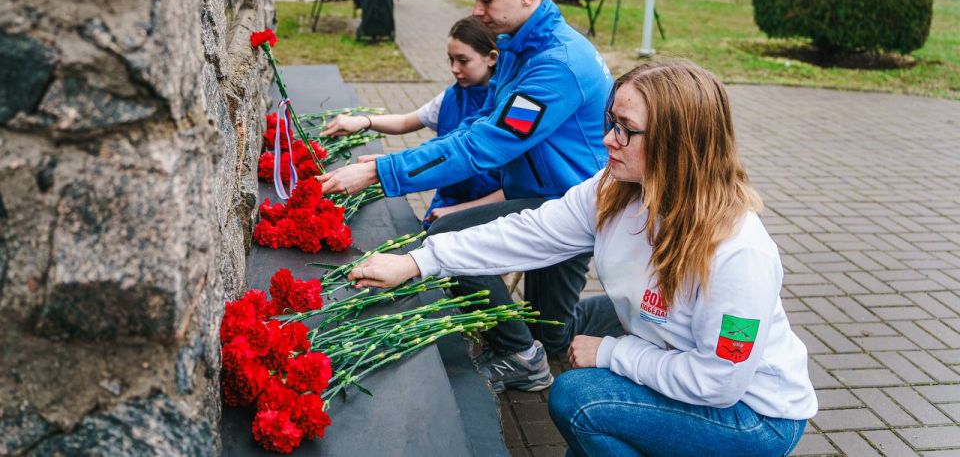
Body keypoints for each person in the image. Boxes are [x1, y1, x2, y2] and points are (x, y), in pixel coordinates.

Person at [347, 60, 818, 457]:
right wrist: (419, 261)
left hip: (751, 415)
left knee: (579, 398)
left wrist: (612, 353)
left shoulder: (739, 254)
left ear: (678, 143)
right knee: (578, 381)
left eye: (626, 130)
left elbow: (719, 382)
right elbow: (530, 232)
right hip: (681, 362)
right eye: (610, 122)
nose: (608, 139)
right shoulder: (617, 190)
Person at [320, 0, 613, 392]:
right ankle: (606, 320)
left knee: (452, 239)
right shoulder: (519, 44)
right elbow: (481, 126)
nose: (477, 10)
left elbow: (486, 145)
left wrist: (381, 170)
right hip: (541, 192)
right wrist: (398, 162)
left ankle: (525, 359)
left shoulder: (557, 64)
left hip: (570, 204)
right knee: (551, 331)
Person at [320, 16, 504, 226]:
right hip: (444, 206)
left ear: (491, 58)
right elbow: (406, 121)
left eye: (463, 60)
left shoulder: (505, 110)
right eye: (450, 59)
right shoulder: (450, 97)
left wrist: (458, 211)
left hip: (486, 217)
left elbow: (516, 189)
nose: (454, 68)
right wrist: (364, 121)